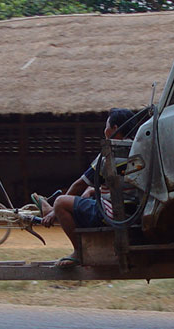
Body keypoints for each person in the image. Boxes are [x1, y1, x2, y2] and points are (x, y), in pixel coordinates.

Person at [35, 108, 136, 268]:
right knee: (89, 192)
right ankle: (52, 211)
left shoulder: (110, 152)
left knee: (61, 202)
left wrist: (56, 209)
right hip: (134, 212)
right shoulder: (142, 149)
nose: (104, 130)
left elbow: (80, 184)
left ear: (115, 129)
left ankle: (79, 252)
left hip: (112, 214)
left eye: (106, 126)